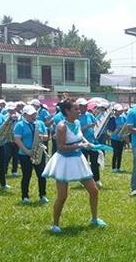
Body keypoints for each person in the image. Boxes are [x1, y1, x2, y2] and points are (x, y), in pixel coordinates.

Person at [42, 99, 106, 233]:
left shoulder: (77, 123)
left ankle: (94, 219)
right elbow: (61, 147)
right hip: (64, 162)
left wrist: (88, 143)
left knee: (94, 190)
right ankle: (55, 225)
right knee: (62, 196)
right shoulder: (61, 127)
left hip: (78, 160)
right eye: (76, 109)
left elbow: (80, 137)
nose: (79, 111)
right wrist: (80, 145)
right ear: (67, 111)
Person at [13, 105, 48, 204]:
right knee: (26, 175)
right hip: (24, 154)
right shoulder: (20, 125)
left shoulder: (40, 123)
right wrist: (27, 151)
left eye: (34, 114)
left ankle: (42, 195)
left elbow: (46, 136)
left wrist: (42, 137)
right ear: (25, 115)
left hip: (38, 152)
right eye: (31, 114)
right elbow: (17, 140)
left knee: (41, 175)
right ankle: (25, 196)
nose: (33, 116)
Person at [77, 98, 102, 188]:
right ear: (79, 107)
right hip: (82, 144)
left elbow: (96, 123)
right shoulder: (76, 117)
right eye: (83, 106)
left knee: (94, 162)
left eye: (86, 106)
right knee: (84, 163)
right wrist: (87, 126)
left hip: (92, 142)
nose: (85, 107)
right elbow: (77, 130)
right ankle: (84, 180)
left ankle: (96, 180)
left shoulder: (89, 115)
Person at [108, 104, 127, 173]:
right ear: (115, 111)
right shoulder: (112, 119)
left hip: (121, 138)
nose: (120, 112)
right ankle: (113, 167)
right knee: (115, 153)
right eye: (118, 111)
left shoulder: (123, 117)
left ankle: (118, 167)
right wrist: (117, 129)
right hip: (114, 138)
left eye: (120, 111)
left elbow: (126, 125)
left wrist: (124, 135)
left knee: (120, 153)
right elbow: (110, 130)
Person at [3, 102, 21, 178]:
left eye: (12, 109)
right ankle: (4, 171)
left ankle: (14, 171)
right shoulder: (5, 116)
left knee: (16, 156)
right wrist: (9, 119)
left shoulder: (19, 117)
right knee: (6, 156)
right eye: (9, 110)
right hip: (7, 139)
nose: (11, 111)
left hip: (17, 139)